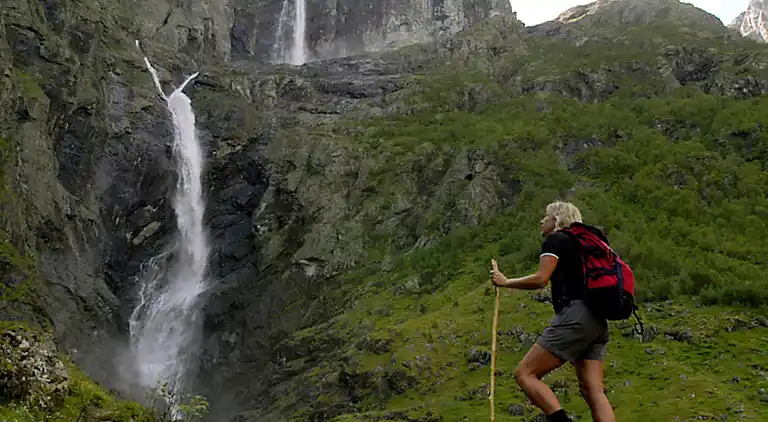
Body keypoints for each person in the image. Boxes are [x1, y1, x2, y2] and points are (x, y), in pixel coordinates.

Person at [489, 201, 615, 422]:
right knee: (592, 390)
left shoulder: (556, 240)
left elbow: (541, 279)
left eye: (545, 216)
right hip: (598, 320)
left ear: (556, 219)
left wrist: (506, 282)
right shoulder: (587, 244)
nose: (542, 221)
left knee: (525, 374)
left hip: (576, 316)